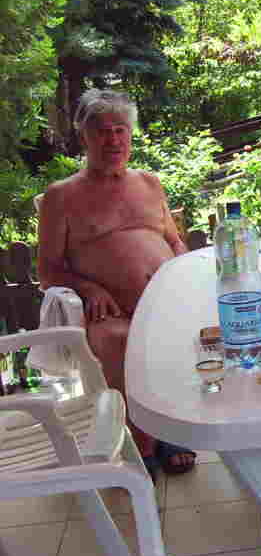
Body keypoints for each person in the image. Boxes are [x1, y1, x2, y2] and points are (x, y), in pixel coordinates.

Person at [37, 89, 196, 480]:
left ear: (130, 134)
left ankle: (169, 429)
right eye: (102, 131)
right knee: (120, 340)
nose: (113, 140)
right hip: (111, 311)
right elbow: (48, 270)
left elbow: (174, 241)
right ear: (84, 137)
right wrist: (90, 289)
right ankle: (140, 445)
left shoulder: (149, 183)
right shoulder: (62, 196)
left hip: (164, 301)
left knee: (202, 329)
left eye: (120, 130)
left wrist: (182, 273)